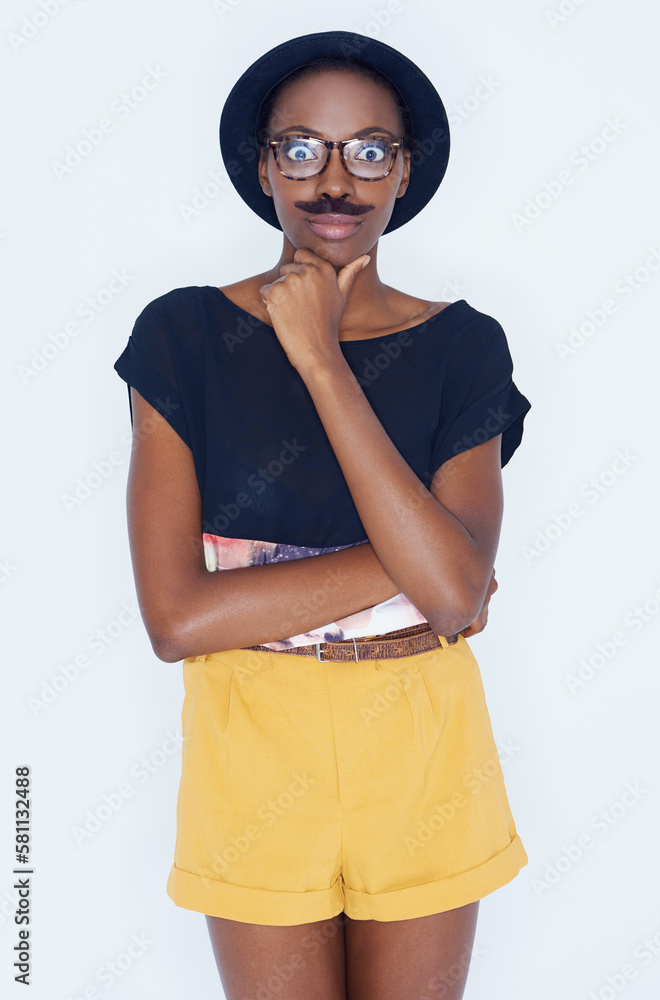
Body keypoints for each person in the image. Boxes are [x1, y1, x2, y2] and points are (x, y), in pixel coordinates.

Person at [114, 29, 531, 1000]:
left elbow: (454, 598)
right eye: (300, 148)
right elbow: (179, 619)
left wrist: (320, 357)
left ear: (404, 170)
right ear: (262, 166)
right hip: (254, 744)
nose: (333, 180)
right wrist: (422, 557)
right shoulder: (182, 336)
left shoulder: (464, 346)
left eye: (367, 150)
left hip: (425, 746)